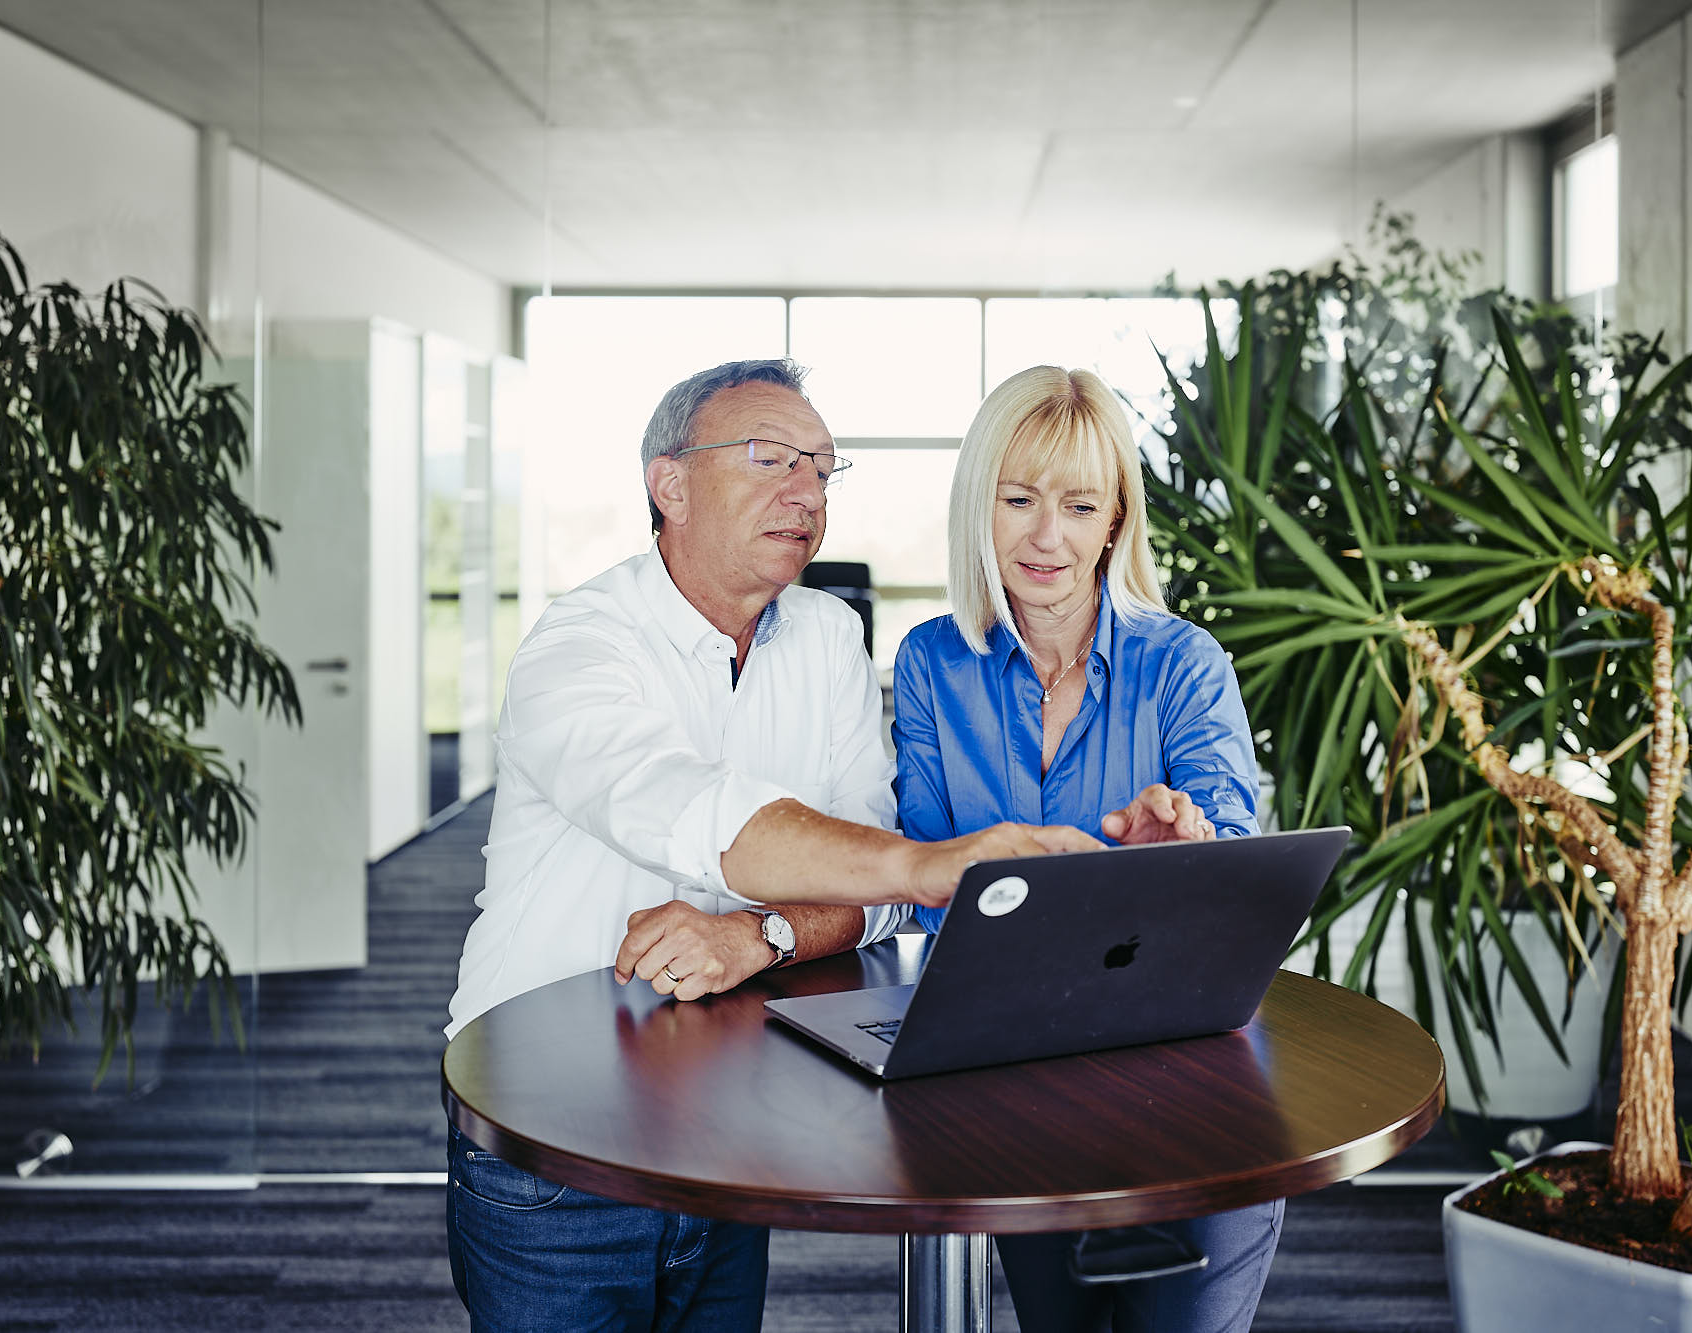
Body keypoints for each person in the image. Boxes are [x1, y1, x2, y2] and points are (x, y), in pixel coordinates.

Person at [444, 358, 1098, 1333]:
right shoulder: (579, 646)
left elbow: (865, 885)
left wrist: (763, 935)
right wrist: (924, 864)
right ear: (668, 484)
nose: (805, 492)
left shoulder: (828, 638)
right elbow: (694, 812)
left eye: (822, 469)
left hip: (722, 1112)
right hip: (554, 1121)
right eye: (769, 459)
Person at [891, 365, 1275, 1333]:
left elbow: (1233, 853)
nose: (1044, 535)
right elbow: (920, 869)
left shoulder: (1181, 660)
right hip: (1005, 1063)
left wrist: (1177, 854)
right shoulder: (932, 660)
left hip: (1178, 1065)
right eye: (1016, 499)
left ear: (1114, 519)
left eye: (1077, 503)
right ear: (979, 504)